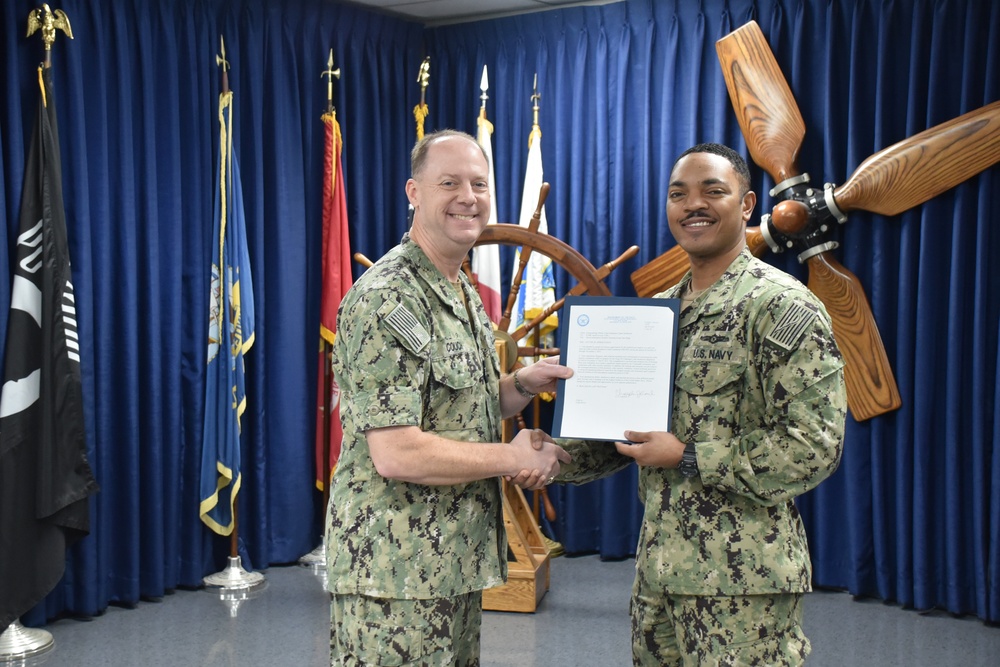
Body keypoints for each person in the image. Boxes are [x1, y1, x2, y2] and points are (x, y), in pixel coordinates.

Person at [555, 143, 847, 666]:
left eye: (713, 191)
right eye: (678, 194)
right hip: (659, 578)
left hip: (742, 587)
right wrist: (548, 458)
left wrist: (688, 455)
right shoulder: (659, 311)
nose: (694, 205)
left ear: (748, 203)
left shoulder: (781, 307)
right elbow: (626, 433)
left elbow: (812, 447)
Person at [325, 129, 573, 666]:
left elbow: (459, 406)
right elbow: (397, 452)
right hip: (395, 575)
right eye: (449, 183)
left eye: (479, 183)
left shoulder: (458, 287)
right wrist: (513, 458)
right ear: (414, 192)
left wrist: (520, 387)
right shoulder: (388, 297)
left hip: (451, 563)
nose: (469, 196)